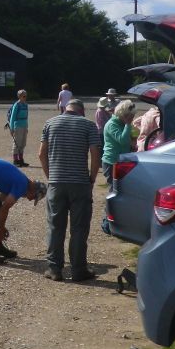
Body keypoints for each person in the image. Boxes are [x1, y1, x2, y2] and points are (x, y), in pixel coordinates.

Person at [38, 98, 101, 282]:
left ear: (66, 108)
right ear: (82, 111)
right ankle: (78, 270)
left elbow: (41, 154)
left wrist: (50, 176)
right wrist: (91, 179)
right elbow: (95, 154)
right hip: (80, 184)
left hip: (56, 183)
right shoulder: (89, 125)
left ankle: (54, 269)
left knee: (55, 226)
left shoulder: (50, 123)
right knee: (79, 228)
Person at [102, 100, 138, 185]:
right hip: (112, 162)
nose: (132, 119)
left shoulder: (122, 124)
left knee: (122, 187)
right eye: (130, 116)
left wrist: (132, 144)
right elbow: (122, 140)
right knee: (114, 188)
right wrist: (128, 124)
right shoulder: (112, 124)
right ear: (123, 114)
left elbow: (127, 140)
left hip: (122, 161)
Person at [8, 89, 30, 167]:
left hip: (24, 126)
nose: (25, 97)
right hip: (17, 126)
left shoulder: (26, 105)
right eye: (24, 96)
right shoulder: (16, 105)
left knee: (23, 143)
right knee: (17, 143)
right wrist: (11, 128)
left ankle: (21, 160)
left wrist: (27, 127)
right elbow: (12, 117)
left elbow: (27, 117)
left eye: (26, 96)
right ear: (19, 96)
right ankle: (15, 160)